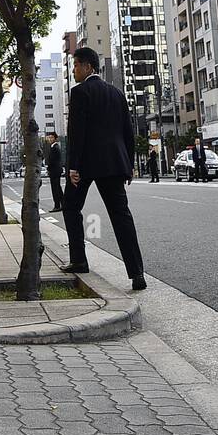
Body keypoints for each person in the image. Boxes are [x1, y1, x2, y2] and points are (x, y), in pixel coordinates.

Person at [60, 47, 146, 291]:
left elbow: (77, 132)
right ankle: (137, 273)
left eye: (76, 65)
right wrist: (129, 165)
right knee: (121, 216)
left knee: (71, 207)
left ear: (88, 66)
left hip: (86, 164)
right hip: (114, 163)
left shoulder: (79, 93)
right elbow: (128, 132)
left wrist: (73, 166)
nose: (74, 70)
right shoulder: (116, 93)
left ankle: (79, 259)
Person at [45, 131, 64, 211]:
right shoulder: (54, 147)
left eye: (52, 137)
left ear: (55, 138)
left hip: (54, 171)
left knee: (55, 189)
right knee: (58, 188)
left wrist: (48, 168)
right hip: (56, 171)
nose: (50, 139)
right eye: (49, 137)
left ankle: (57, 206)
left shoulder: (55, 147)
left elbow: (52, 161)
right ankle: (63, 204)